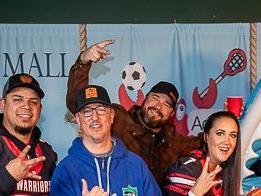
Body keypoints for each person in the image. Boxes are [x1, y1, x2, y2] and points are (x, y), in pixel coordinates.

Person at [67, 39, 199, 183]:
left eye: (166, 104)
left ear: (172, 113)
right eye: (155, 98)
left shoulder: (174, 142)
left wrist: (226, 115)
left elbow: (208, 141)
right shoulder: (117, 119)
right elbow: (78, 103)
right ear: (145, 98)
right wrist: (83, 62)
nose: (158, 106)